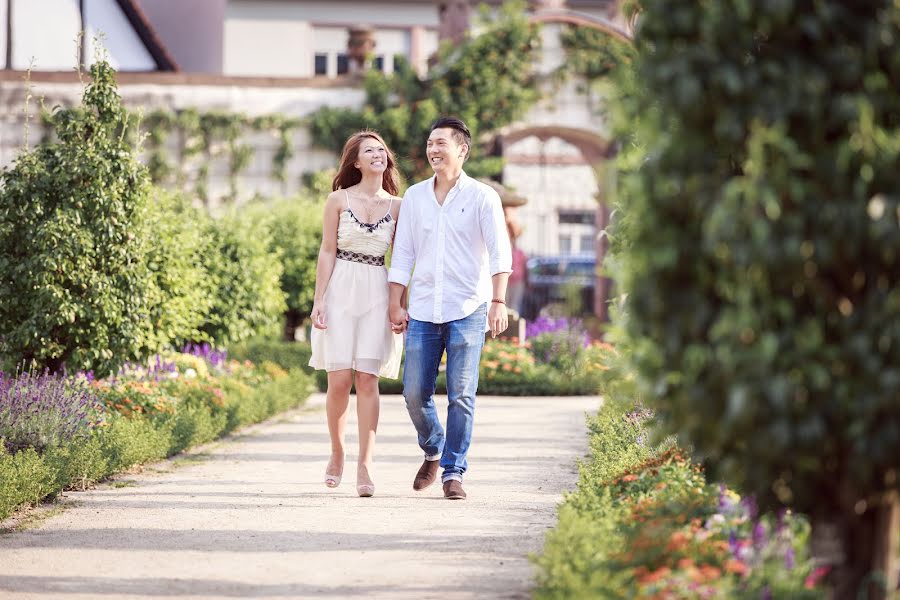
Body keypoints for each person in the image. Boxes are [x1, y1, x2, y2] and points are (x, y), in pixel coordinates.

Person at [388, 117, 512, 500]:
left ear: (462, 149)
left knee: (461, 394)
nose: (433, 149)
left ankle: (453, 472)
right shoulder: (415, 197)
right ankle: (433, 447)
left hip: (468, 306)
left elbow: (499, 251)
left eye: (441, 142)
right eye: (429, 142)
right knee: (413, 392)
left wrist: (497, 301)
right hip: (424, 307)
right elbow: (404, 252)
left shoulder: (482, 196)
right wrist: (396, 300)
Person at [308, 131, 404, 498]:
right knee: (338, 380)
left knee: (367, 379)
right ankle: (337, 451)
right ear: (356, 162)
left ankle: (366, 464)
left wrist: (399, 302)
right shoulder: (338, 199)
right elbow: (327, 251)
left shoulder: (399, 206)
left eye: (381, 150)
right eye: (369, 151)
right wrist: (319, 299)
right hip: (341, 289)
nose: (378, 155)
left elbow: (402, 260)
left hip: (377, 291)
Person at [506, 223, 528, 316]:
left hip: (518, 281)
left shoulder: (520, 253)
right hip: (507, 281)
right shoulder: (507, 252)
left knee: (515, 304)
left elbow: (525, 268)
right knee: (506, 302)